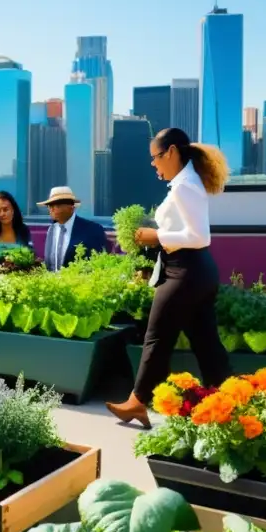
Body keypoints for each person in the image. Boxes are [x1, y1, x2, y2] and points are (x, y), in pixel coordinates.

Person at [106, 127, 232, 429]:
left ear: (172, 152)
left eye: (156, 157)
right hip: (195, 271)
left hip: (185, 273)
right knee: (206, 343)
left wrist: (156, 235)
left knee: (156, 336)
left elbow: (201, 236)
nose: (153, 164)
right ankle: (230, 401)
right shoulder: (185, 182)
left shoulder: (184, 186)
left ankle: (137, 402)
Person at [37, 186, 110, 272]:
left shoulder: (93, 230)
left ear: (71, 207)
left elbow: (99, 265)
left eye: (55, 205)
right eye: (49, 206)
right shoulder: (51, 230)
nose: (51, 209)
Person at [0, 191, 33, 267]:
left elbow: (30, 256)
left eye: (5, 209)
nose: (2, 214)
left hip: (19, 277)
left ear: (13, 210)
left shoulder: (24, 230)